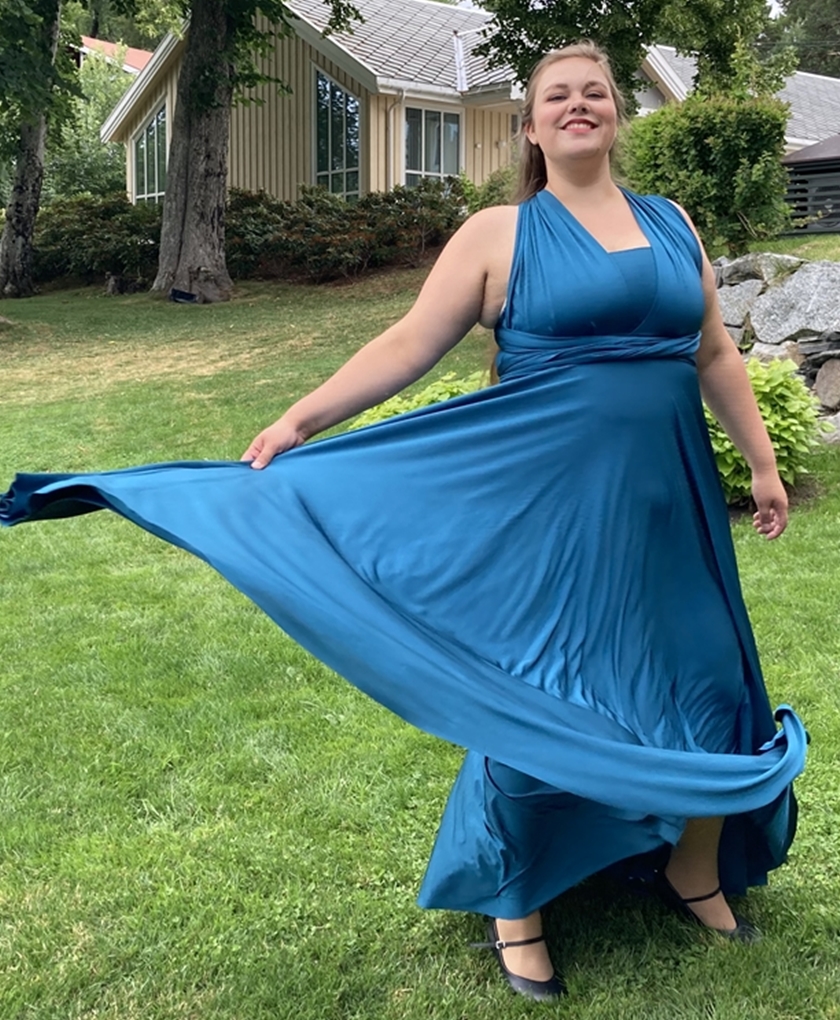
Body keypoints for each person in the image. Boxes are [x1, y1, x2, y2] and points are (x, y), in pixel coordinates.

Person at [0, 41, 806, 1004]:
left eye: (595, 92)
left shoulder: (673, 223)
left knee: (710, 675)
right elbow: (410, 342)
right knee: (545, 686)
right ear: (531, 125)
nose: (579, 105)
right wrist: (301, 419)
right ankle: (516, 905)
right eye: (558, 95)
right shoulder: (499, 234)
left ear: (616, 114)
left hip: (671, 502)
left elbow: (713, 352)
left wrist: (762, 463)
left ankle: (693, 869)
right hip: (552, 510)